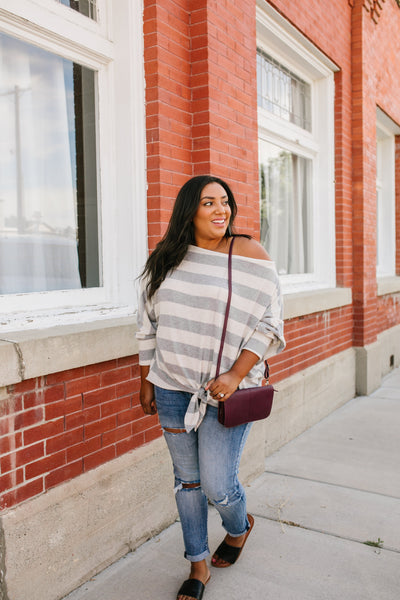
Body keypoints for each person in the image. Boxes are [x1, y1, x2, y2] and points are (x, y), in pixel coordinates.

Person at [136, 175, 285, 600]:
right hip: (170, 387)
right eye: (208, 203)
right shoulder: (165, 259)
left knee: (219, 485)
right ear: (190, 210)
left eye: (225, 202)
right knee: (188, 483)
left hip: (227, 394)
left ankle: (239, 527)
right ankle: (197, 565)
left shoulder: (250, 254)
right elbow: (147, 324)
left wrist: (236, 374)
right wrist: (146, 378)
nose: (221, 210)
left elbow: (271, 322)